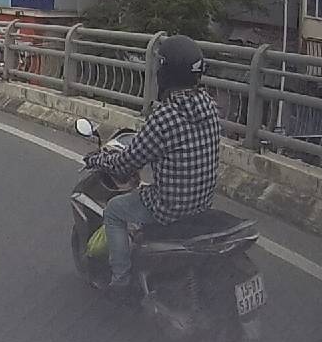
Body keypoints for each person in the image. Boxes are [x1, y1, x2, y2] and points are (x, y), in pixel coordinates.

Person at [83, 35, 221, 303]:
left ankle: (121, 282)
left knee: (114, 211)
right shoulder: (210, 108)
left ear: (166, 72)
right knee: (147, 190)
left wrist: (97, 160)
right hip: (202, 203)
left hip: (169, 207)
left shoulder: (166, 116)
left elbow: (126, 164)